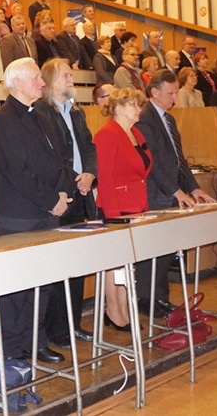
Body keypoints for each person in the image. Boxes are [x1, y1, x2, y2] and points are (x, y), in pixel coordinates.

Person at [0, 58, 73, 364]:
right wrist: (52, 199)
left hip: (47, 210)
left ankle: (36, 341)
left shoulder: (41, 113)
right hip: (20, 215)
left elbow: (59, 156)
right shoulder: (4, 119)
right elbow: (18, 171)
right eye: (36, 78)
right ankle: (13, 350)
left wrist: (64, 191)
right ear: (17, 83)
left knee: (43, 282)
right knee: (17, 288)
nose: (41, 82)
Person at [135, 69, 215, 316]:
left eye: (176, 93)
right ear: (154, 92)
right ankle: (147, 301)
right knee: (154, 253)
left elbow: (179, 159)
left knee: (167, 251)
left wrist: (194, 187)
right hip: (155, 193)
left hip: (172, 191)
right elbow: (153, 161)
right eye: (170, 94)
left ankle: (160, 298)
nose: (174, 98)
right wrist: (176, 190)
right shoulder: (144, 118)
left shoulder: (168, 119)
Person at [37, 58, 97, 346]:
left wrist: (90, 173)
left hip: (80, 193)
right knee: (57, 268)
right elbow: (53, 156)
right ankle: (57, 328)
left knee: (76, 266)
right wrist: (77, 178)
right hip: (59, 196)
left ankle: (73, 324)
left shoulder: (77, 112)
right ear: (49, 80)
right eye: (67, 75)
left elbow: (88, 146)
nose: (72, 79)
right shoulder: (41, 112)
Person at [93, 87, 150, 329]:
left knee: (128, 263)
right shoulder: (107, 134)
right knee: (114, 264)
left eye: (139, 105)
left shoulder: (136, 132)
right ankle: (114, 312)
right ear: (117, 107)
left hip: (137, 205)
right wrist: (113, 217)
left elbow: (142, 171)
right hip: (116, 209)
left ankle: (126, 309)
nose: (139, 109)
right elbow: (104, 178)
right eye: (134, 105)